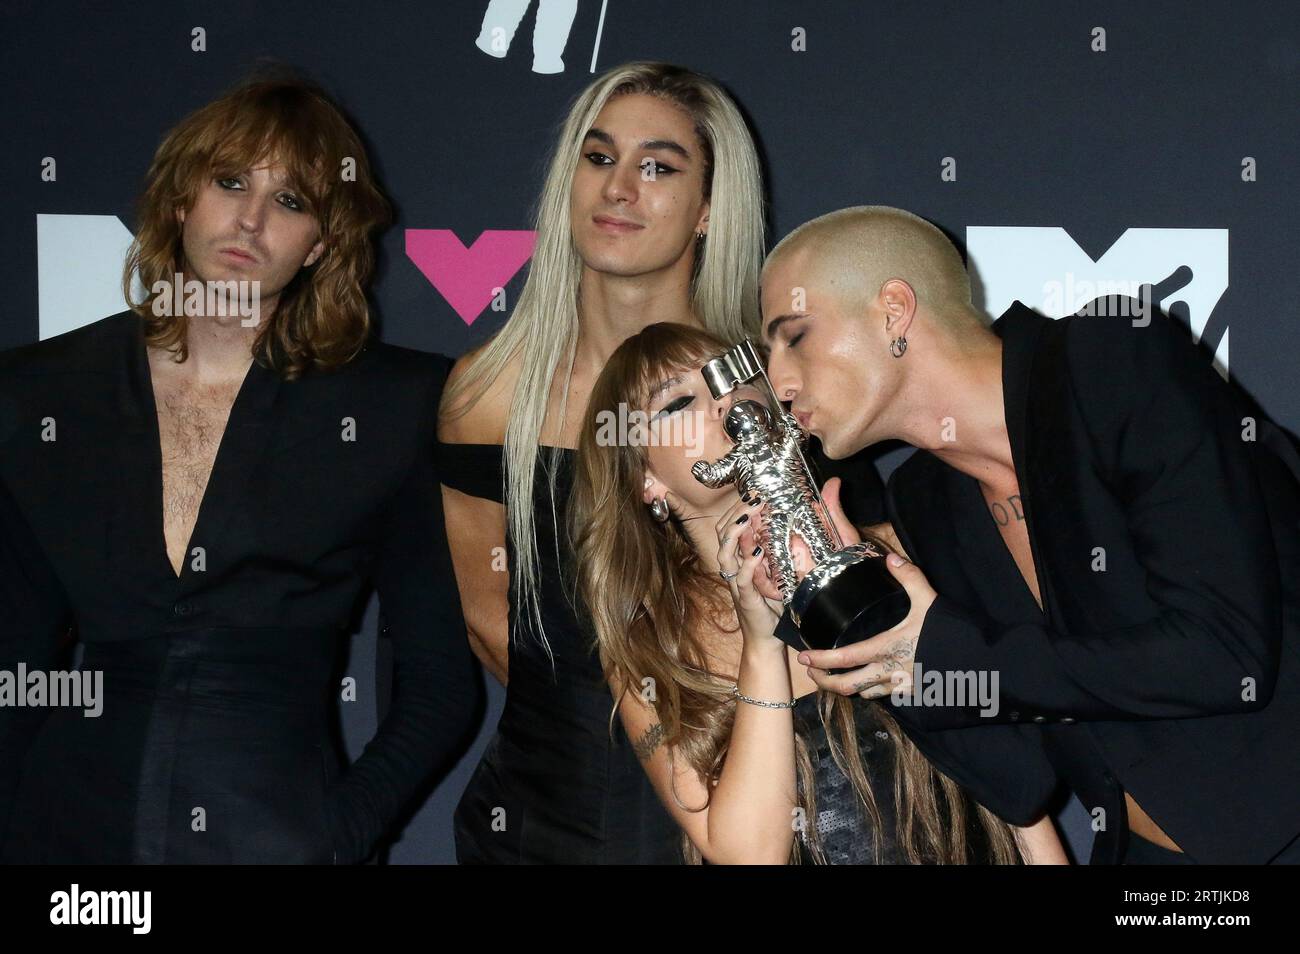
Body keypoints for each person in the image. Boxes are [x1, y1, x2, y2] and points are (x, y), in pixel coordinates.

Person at [0, 73, 480, 863]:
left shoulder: (391, 410)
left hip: (274, 832)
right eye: (230, 182)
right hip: (67, 842)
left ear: (321, 244)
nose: (250, 220)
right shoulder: (43, 393)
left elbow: (438, 685)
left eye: (291, 202)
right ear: (182, 199)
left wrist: (336, 834)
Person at [438, 61, 885, 863]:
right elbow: (487, 616)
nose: (618, 189)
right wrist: (635, 725)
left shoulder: (774, 392)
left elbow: (863, 621)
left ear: (710, 208)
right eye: (598, 156)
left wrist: (715, 746)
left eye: (657, 167)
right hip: (545, 817)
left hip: (744, 802)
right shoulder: (486, 395)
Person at [759, 205, 1300, 864]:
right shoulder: (927, 502)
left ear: (893, 311)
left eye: (795, 336)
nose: (777, 382)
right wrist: (862, 619)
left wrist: (944, 654)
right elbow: (1020, 781)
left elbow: (1222, 655)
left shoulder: (1107, 356)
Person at [567, 321, 1067, 864]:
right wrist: (760, 641)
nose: (724, 402)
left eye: (733, 376)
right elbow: (749, 855)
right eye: (678, 402)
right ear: (646, 480)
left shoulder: (897, 554)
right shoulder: (650, 651)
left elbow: (1011, 787)